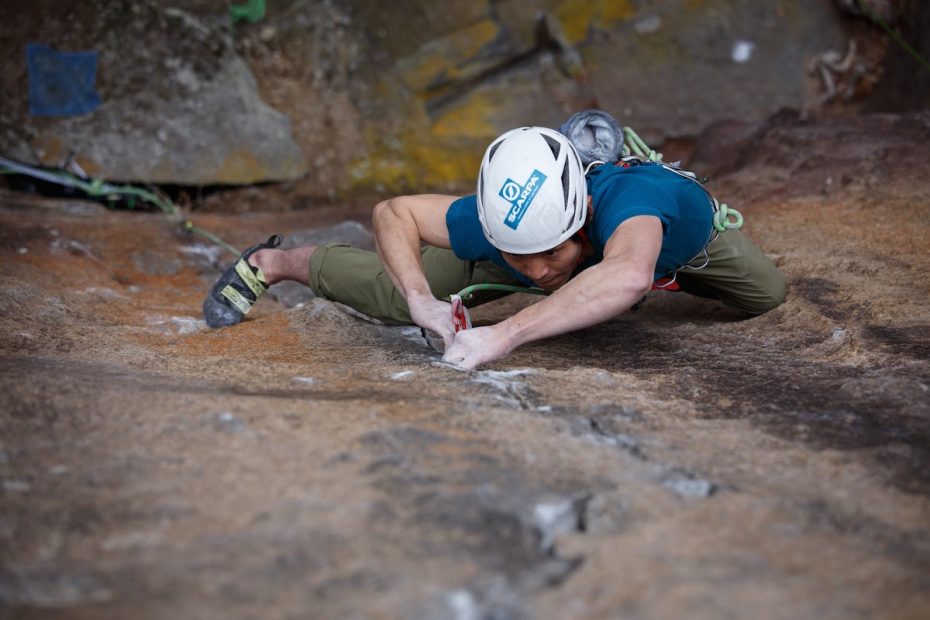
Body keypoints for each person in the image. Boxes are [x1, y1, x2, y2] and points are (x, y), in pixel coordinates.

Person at [203, 123, 785, 369]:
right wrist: (417, 300)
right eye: (518, 256)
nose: (534, 272)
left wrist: (504, 335)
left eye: (549, 254)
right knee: (389, 292)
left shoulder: (637, 200)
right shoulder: (500, 229)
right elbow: (393, 212)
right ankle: (271, 262)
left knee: (765, 292)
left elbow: (630, 273)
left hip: (679, 246)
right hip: (566, 239)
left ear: (580, 217)